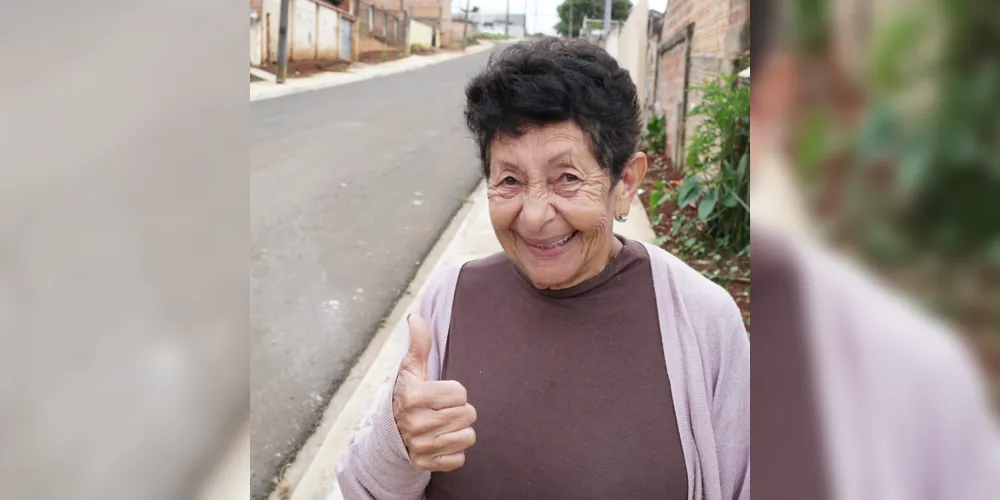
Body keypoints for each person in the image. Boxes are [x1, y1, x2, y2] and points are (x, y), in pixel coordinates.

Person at [336, 38, 750, 500]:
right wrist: (398, 441)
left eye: (567, 178)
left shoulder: (704, 320)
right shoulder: (447, 300)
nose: (534, 216)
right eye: (509, 180)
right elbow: (364, 487)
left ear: (625, 182)